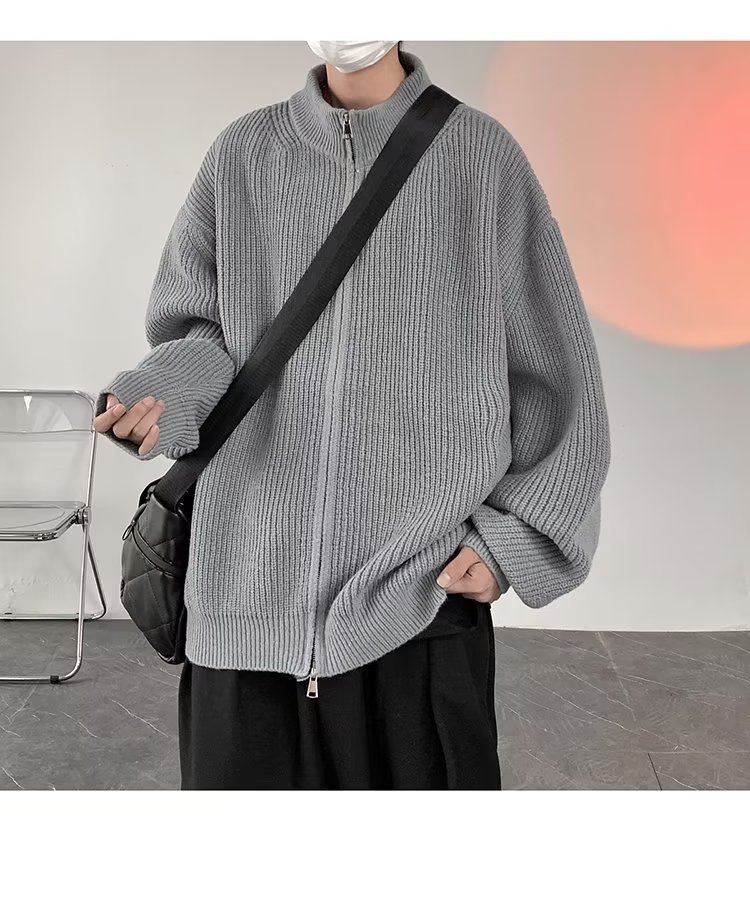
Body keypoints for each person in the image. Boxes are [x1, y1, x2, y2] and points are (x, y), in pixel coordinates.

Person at [94, 41, 611, 790]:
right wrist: (161, 395)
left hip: (418, 591)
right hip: (246, 588)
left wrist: (513, 543)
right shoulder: (244, 153)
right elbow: (202, 332)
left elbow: (557, 380)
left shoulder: (481, 157)